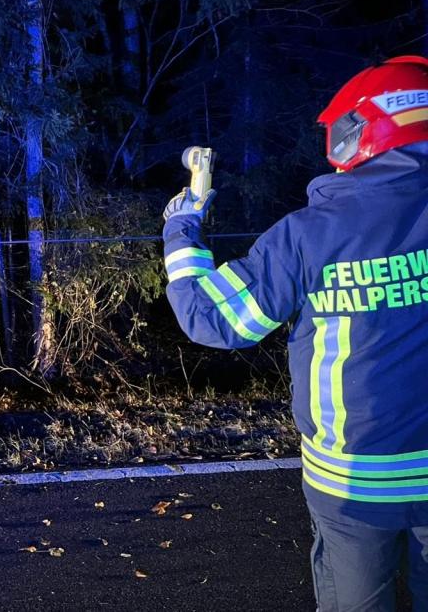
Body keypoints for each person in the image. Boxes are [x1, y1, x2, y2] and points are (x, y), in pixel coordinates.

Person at [163, 55, 428, 611]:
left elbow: (213, 319)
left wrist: (181, 228)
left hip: (353, 483)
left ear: (366, 132)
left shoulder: (308, 236)